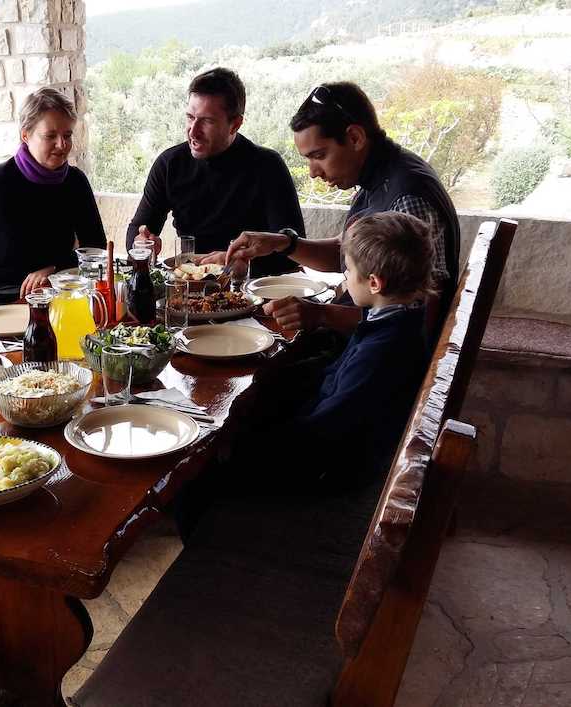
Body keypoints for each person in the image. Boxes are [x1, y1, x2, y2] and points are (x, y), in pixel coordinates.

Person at [176, 212, 433, 536]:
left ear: (374, 282)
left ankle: (209, 556)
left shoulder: (383, 350)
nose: (344, 276)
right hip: (337, 450)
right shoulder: (396, 323)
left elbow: (321, 432)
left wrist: (246, 447)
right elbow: (332, 381)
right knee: (247, 415)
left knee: (196, 475)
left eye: (348, 270)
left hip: (331, 472)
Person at [226, 81, 461, 334]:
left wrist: (322, 314)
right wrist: (282, 243)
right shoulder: (381, 175)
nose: (313, 172)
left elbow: (418, 313)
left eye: (319, 156)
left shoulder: (406, 196)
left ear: (355, 137)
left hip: (384, 360)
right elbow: (347, 253)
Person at [127, 67, 304, 277]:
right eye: (190, 117)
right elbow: (138, 228)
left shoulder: (267, 166)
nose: (193, 131)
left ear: (235, 124)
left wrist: (239, 263)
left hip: (253, 289)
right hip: (189, 286)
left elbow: (293, 252)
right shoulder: (169, 164)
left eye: (207, 121)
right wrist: (141, 243)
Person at [0, 87, 106, 303]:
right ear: (25, 135)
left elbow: (95, 249)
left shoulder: (75, 182)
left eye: (67, 135)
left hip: (57, 294)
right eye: (50, 136)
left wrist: (55, 269)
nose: (62, 145)